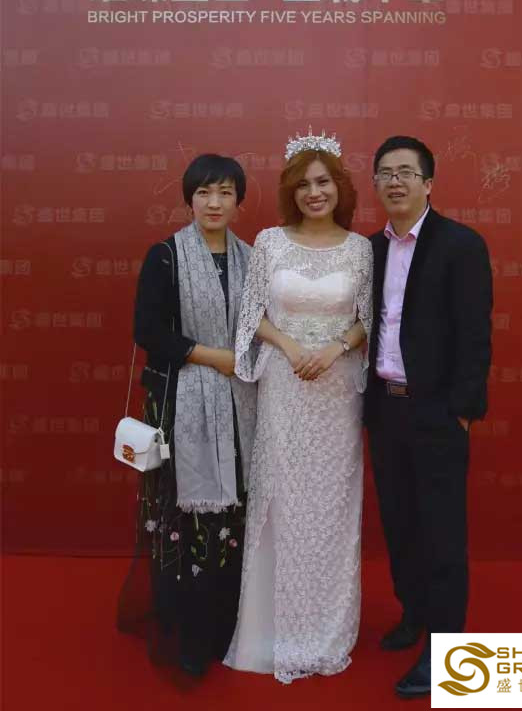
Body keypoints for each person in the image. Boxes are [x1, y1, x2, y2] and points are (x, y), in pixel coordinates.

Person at [223, 131, 373, 684]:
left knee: (331, 507)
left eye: (324, 181)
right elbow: (252, 315)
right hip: (284, 389)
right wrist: (288, 347)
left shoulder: (360, 249)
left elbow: (368, 320)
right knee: (281, 499)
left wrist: (335, 348)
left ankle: (325, 630)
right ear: (291, 190)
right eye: (304, 184)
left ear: (339, 187)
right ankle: (270, 629)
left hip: (336, 395)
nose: (315, 192)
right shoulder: (269, 242)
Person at [117, 154, 257, 677]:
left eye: (225, 192)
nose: (214, 203)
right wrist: (214, 357)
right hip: (180, 403)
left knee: (232, 515)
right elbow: (148, 331)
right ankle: (185, 631)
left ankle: (226, 628)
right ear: (189, 200)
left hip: (241, 404)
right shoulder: (166, 256)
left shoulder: (253, 259)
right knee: (185, 516)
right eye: (203, 193)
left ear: (239, 201)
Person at [365, 135, 493, 698]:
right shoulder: (368, 251)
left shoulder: (460, 245)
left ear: (429, 183)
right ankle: (414, 614)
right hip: (384, 410)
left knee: (441, 535)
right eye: (385, 173)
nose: (395, 181)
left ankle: (445, 654)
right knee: (400, 525)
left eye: (406, 172)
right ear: (375, 184)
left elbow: (475, 335)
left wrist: (462, 411)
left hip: (437, 412)